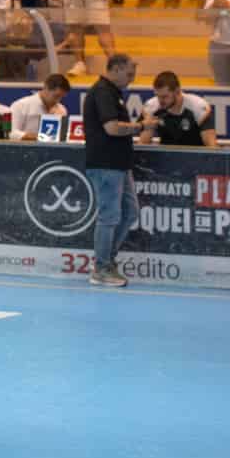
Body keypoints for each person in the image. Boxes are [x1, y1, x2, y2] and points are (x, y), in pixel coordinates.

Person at [82, 54, 153, 288]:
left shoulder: (114, 93)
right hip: (106, 164)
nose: (132, 79)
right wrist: (141, 126)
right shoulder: (103, 92)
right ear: (117, 69)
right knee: (109, 216)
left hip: (120, 164)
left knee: (130, 212)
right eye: (129, 74)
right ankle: (101, 268)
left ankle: (106, 261)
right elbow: (112, 128)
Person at [139, 71, 217, 148]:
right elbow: (142, 145)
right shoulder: (152, 108)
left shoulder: (198, 107)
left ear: (177, 91)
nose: (160, 101)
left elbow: (212, 147)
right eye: (157, 96)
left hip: (195, 155)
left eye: (164, 97)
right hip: (165, 154)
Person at [8, 74, 71, 140]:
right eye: (56, 96)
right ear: (46, 88)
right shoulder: (20, 105)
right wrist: (40, 137)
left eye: (62, 97)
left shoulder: (62, 109)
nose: (58, 100)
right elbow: (12, 133)